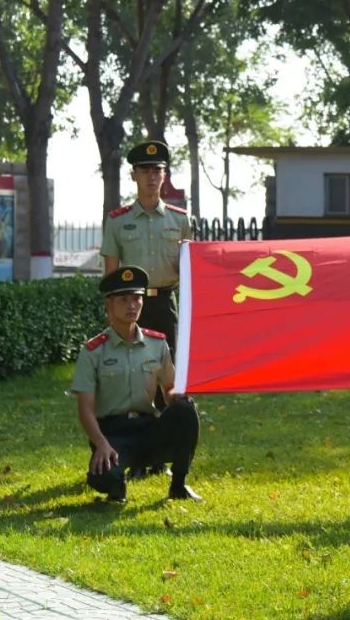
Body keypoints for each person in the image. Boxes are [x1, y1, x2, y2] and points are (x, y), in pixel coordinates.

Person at [69, 266, 202, 503]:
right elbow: (85, 410)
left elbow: (168, 390)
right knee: (102, 477)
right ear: (108, 306)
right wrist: (100, 444)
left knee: (186, 410)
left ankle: (179, 485)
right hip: (113, 435)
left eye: (137, 299)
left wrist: (178, 395)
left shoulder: (157, 344)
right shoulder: (93, 352)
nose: (132, 306)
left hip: (147, 428)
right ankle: (116, 484)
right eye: (124, 300)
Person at [102, 141, 191, 477]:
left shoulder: (180, 220)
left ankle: (162, 457)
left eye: (157, 171)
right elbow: (111, 273)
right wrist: (112, 311)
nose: (152, 177)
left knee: (166, 382)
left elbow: (190, 271)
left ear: (164, 175)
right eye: (145, 171)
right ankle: (136, 456)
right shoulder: (117, 221)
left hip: (165, 303)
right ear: (134, 175)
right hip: (130, 305)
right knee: (135, 381)